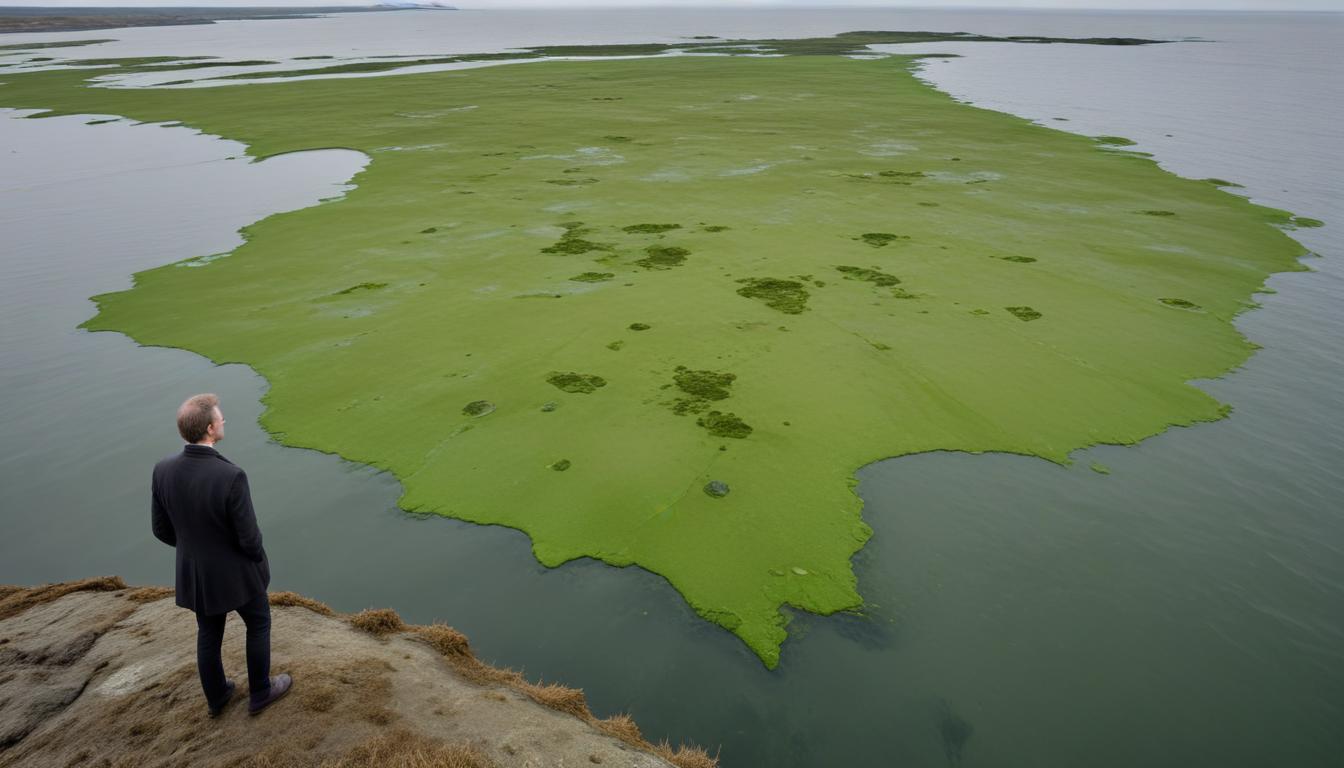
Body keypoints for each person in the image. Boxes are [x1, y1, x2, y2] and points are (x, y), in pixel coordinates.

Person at [151, 393, 293, 717]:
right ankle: (260, 692)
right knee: (258, 623)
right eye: (221, 418)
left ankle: (217, 697)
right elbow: (249, 538)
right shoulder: (231, 476)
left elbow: (161, 530)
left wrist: (196, 549)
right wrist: (255, 559)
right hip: (236, 573)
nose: (224, 421)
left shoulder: (162, 470)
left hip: (197, 574)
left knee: (209, 633)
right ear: (211, 429)